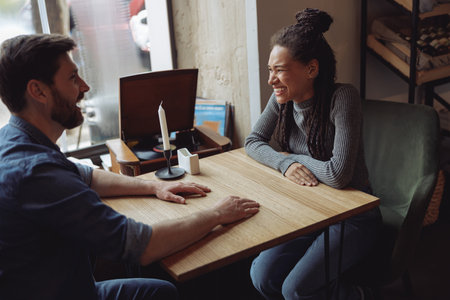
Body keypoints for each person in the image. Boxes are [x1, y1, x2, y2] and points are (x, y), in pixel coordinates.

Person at [0, 33, 259, 300]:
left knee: (160, 291)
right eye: (72, 78)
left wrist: (153, 186)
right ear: (38, 91)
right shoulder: (35, 173)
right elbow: (142, 245)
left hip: (70, 287)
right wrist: (217, 214)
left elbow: (86, 176)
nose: (85, 86)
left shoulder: (13, 141)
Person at [245, 8, 381, 300]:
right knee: (261, 276)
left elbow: (338, 173)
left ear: (311, 69)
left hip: (354, 218)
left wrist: (293, 159)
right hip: (308, 211)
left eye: (279, 69)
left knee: (295, 290)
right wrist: (283, 162)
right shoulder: (281, 98)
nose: (271, 80)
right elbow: (253, 142)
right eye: (270, 69)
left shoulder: (342, 98)